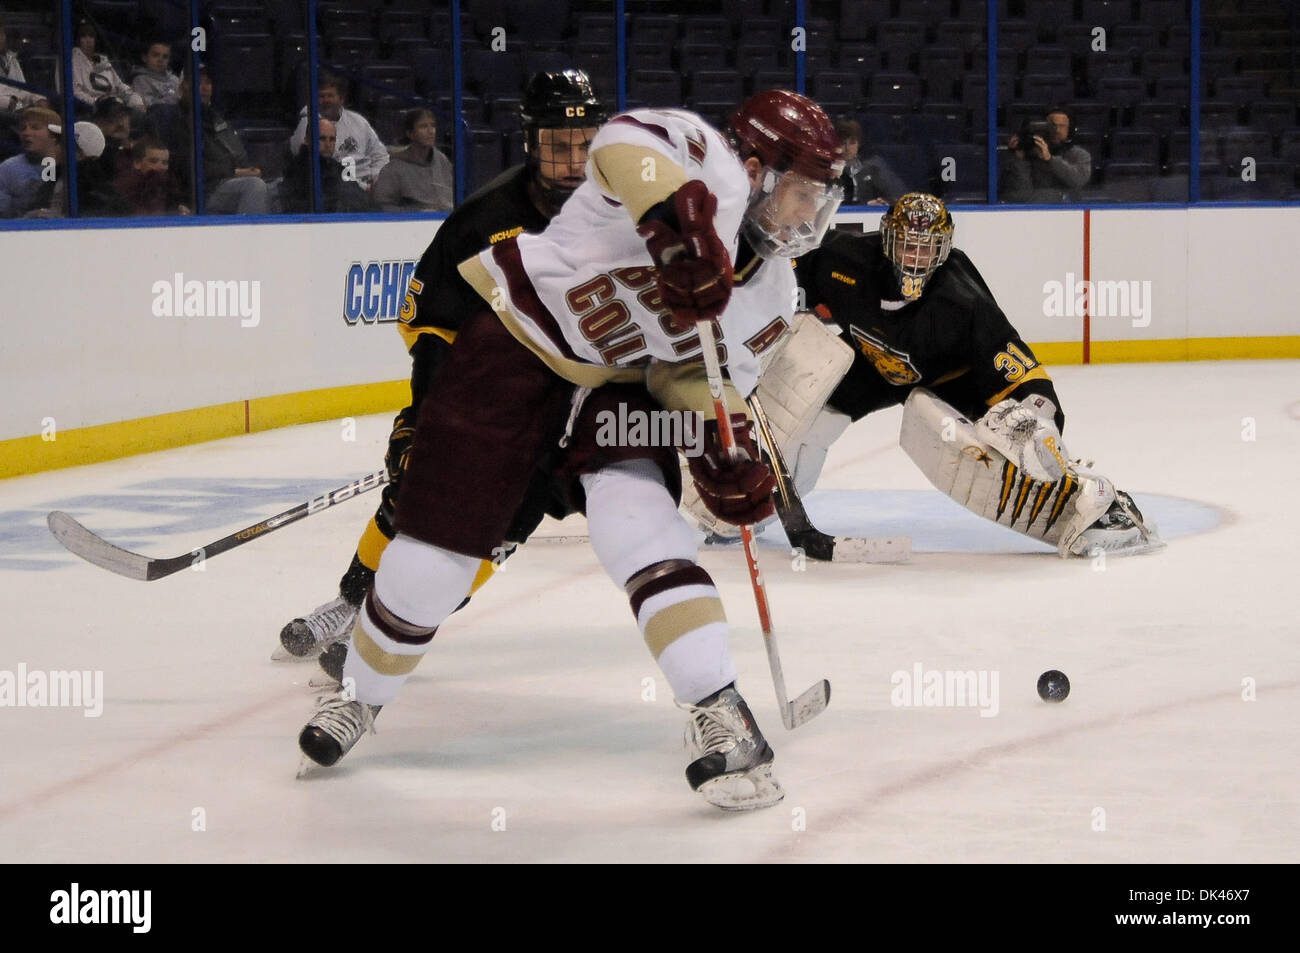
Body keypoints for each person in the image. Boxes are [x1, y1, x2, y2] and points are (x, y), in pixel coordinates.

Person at [293, 89, 846, 812]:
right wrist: (672, 221)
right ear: (756, 167)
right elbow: (617, 146)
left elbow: (688, 374)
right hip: (517, 351)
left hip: (619, 391)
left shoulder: (772, 293)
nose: (810, 216)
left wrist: (721, 441)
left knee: (639, 523)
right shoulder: (704, 158)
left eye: (819, 198)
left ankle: (719, 707)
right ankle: (361, 696)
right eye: (802, 193)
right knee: (436, 555)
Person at [278, 69, 606, 670]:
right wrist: (425, 413)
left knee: (500, 526)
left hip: (573, 410)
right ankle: (351, 602)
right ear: (532, 142)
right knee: (413, 492)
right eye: (560, 145)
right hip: (487, 392)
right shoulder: (486, 218)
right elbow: (434, 322)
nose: (575, 160)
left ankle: (396, 628)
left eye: (586, 143)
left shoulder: (623, 217)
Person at [753, 192, 1162, 558]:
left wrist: (1041, 415)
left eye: (928, 248)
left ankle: (1102, 503)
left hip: (951, 377)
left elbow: (1017, 363)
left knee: (1016, 436)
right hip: (874, 364)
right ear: (885, 242)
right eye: (908, 246)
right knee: (811, 425)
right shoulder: (843, 260)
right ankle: (760, 507)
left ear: (945, 249)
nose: (917, 259)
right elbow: (781, 270)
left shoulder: (961, 299)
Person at [169, 68, 268, 214]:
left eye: (208, 83)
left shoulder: (215, 118)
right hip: (205, 191)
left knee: (277, 188)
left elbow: (238, 153)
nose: (204, 88)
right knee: (254, 186)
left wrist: (247, 170)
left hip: (231, 180)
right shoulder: (178, 120)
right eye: (198, 83)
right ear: (184, 86)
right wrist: (236, 172)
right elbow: (190, 168)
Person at [288, 73, 389, 190]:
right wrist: (361, 188)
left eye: (330, 95)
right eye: (321, 96)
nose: (326, 100)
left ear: (341, 99)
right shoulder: (307, 124)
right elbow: (308, 162)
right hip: (336, 189)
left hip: (370, 187)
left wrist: (377, 181)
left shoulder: (359, 121)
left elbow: (380, 156)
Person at [999, 108, 1091, 203]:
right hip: (1035, 207)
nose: (1057, 130)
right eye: (1052, 126)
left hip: (1067, 209)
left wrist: (1050, 159)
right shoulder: (1031, 151)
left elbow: (1078, 180)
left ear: (1070, 130)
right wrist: (1020, 159)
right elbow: (1019, 194)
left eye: (1062, 126)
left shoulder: (1079, 154)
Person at [371, 108, 453, 212]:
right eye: (423, 126)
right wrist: (415, 213)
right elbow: (382, 207)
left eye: (433, 126)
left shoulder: (442, 160)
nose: (431, 131)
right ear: (410, 134)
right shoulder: (394, 168)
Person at [282, 117, 371, 212]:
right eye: (322, 138)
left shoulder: (338, 168)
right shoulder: (298, 170)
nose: (328, 144)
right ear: (308, 140)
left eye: (332, 139)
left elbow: (360, 200)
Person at [67, 20, 143, 111]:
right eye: (83, 36)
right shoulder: (72, 60)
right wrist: (99, 104)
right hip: (94, 110)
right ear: (77, 40)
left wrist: (137, 102)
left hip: (116, 105)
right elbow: (76, 93)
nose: (88, 40)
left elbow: (120, 86)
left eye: (91, 36)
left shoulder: (103, 62)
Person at [0, 106, 61, 217]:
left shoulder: (71, 166)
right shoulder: (7, 169)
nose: (26, 132)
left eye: (35, 127)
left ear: (54, 135)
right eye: (23, 128)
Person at [834, 118, 905, 206]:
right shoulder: (828, 170)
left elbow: (894, 195)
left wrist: (882, 202)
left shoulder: (872, 168)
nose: (847, 148)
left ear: (858, 144)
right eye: (843, 143)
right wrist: (865, 204)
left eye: (852, 143)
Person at [1, 19, 45, 112]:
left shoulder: (11, 59)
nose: (1, 37)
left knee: (41, 101)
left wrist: (38, 99)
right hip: (5, 110)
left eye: (2, 33)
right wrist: (11, 102)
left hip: (19, 107)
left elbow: (23, 88)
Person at [130, 40, 181, 109]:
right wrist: (173, 98)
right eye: (155, 55)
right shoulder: (140, 80)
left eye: (165, 57)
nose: (160, 60)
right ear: (144, 58)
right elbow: (149, 105)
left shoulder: (174, 79)